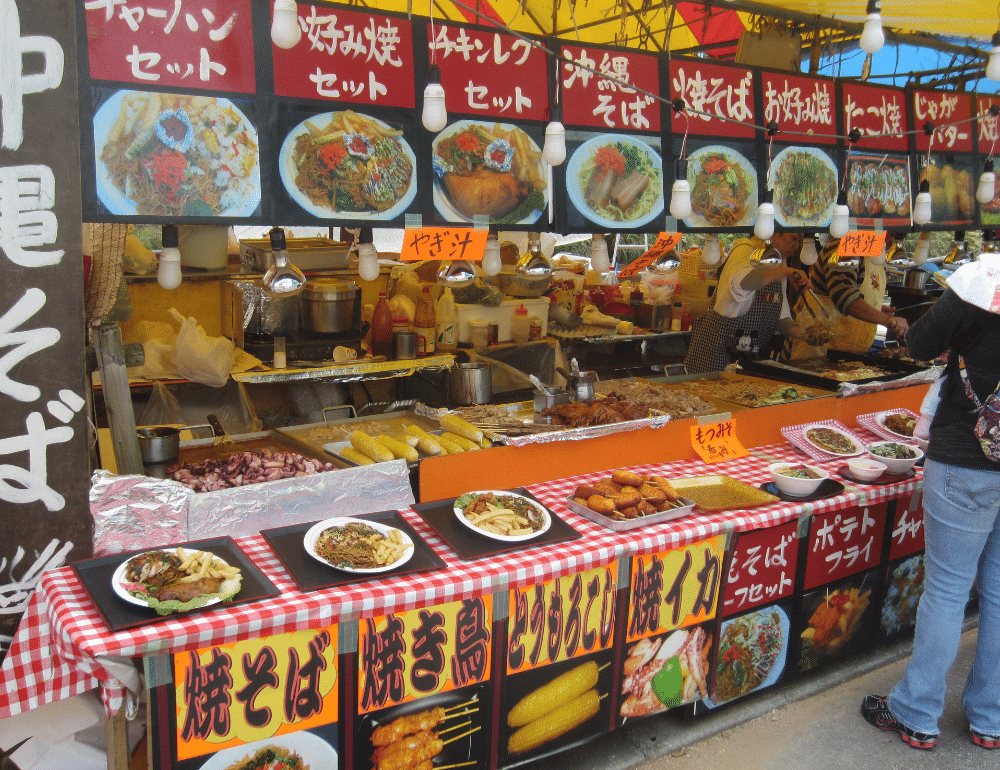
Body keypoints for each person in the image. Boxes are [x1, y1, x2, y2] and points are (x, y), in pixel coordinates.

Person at [861, 249, 1000, 751]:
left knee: (947, 588)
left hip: (965, 458)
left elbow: (920, 344)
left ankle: (916, 713)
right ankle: (990, 718)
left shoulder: (980, 279)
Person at [683, 232, 809, 373]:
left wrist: (805, 335)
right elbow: (745, 282)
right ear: (773, 234)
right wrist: (785, 272)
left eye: (800, 241)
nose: (796, 246)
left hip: (748, 356)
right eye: (793, 238)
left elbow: (780, 318)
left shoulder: (779, 263)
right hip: (716, 351)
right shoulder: (745, 249)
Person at [782, 233, 908, 361]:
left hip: (849, 344)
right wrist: (886, 320)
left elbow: (857, 290)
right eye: (891, 234)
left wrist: (875, 308)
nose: (891, 240)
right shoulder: (846, 245)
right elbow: (844, 295)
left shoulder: (874, 255)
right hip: (821, 336)